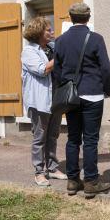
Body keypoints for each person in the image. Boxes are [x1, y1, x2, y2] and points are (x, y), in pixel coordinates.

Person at [53, 2, 110, 198]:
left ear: (70, 17)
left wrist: (66, 86)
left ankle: (72, 181)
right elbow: (106, 69)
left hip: (72, 97)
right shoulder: (96, 39)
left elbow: (57, 70)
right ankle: (91, 182)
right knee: (90, 140)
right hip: (93, 94)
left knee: (73, 139)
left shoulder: (60, 41)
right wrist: (107, 90)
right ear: (88, 17)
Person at [21, 16, 67, 187]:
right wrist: (60, 57)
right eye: (48, 30)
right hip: (39, 102)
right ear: (39, 32)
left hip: (55, 99)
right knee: (40, 138)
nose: (52, 32)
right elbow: (42, 70)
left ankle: (53, 168)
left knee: (53, 135)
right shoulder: (29, 52)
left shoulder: (51, 47)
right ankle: (39, 172)